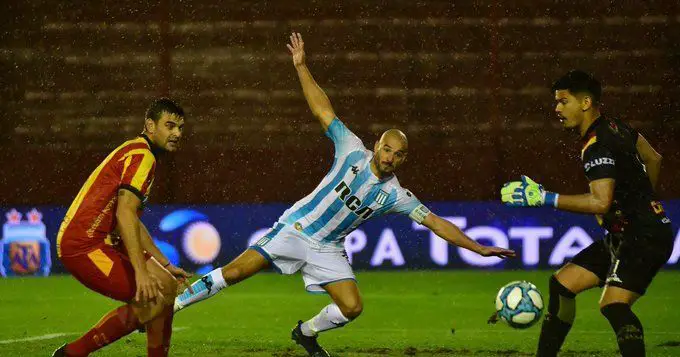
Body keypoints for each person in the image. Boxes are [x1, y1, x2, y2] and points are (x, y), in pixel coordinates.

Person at [173, 33, 515, 357]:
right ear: (376, 145)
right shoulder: (351, 149)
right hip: (297, 228)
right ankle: (169, 307)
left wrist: (479, 247)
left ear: (403, 159)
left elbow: (437, 224)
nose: (389, 157)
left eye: (397, 154)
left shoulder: (397, 195)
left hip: (328, 248)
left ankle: (305, 332)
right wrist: (301, 66)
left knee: (352, 307)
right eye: (385, 148)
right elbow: (323, 111)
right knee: (234, 273)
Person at [501, 70, 673, 357]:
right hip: (631, 230)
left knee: (613, 305)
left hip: (643, 236)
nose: (556, 109)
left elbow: (600, 203)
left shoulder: (596, 146)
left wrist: (545, 198)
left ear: (585, 103)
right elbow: (653, 158)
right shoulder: (616, 126)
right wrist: (644, 199)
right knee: (561, 285)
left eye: (563, 101)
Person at [52, 98, 192, 357]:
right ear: (150, 125)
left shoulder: (138, 151)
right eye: (169, 125)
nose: (176, 134)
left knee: (167, 284)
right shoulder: (143, 156)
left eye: (180, 128)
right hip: (83, 245)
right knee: (153, 300)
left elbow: (132, 221)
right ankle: (71, 354)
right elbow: (125, 213)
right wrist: (141, 272)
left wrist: (164, 264)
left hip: (101, 239)